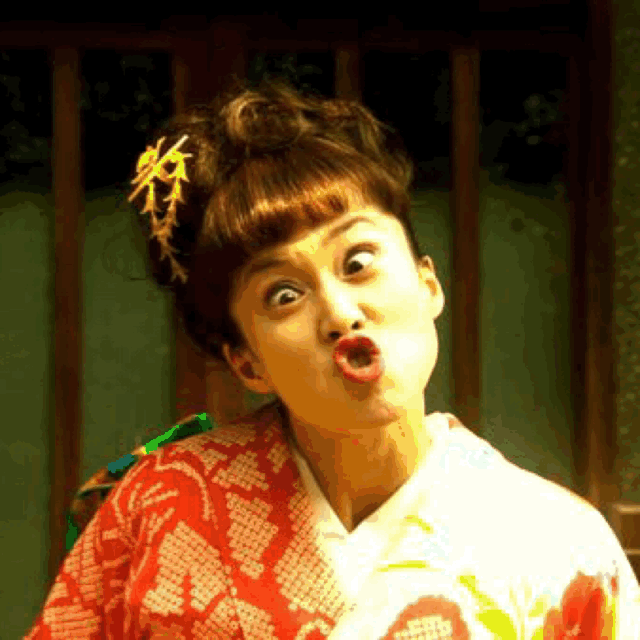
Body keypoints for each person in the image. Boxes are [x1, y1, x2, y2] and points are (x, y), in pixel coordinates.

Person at [25, 75, 640, 639]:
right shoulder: (164, 501)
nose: (340, 312)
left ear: (428, 283)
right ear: (246, 362)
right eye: (284, 294)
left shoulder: (560, 542)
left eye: (358, 262)